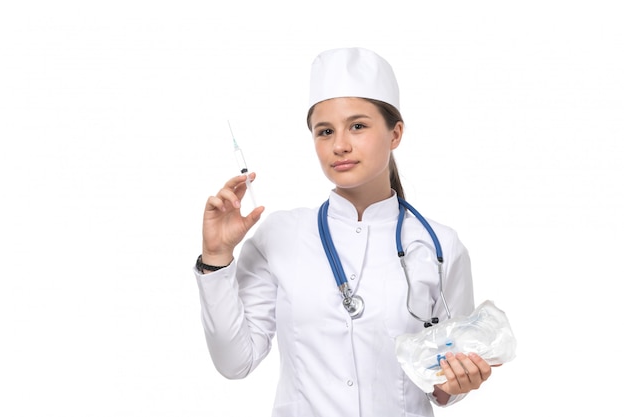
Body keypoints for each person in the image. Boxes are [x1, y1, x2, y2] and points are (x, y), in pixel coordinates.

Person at [195, 47, 494, 417]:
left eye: (358, 126)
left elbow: (444, 380)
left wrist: (453, 387)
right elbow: (235, 362)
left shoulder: (439, 246)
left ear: (395, 133)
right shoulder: (280, 236)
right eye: (325, 131)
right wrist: (216, 258)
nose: (339, 145)